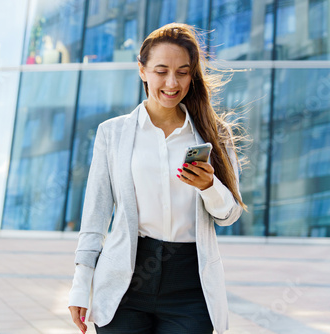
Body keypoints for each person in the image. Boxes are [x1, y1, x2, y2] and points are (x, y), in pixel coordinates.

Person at [68, 22, 248, 334]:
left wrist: (209, 186)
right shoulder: (112, 133)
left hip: (190, 284)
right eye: (161, 70)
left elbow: (229, 215)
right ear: (142, 70)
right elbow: (95, 217)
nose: (171, 82)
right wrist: (80, 285)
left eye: (182, 71)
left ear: (192, 75)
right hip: (125, 280)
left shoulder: (214, 134)